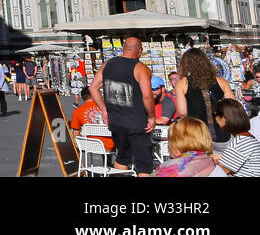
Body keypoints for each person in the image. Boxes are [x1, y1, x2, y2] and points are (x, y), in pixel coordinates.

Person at [90, 35, 156, 177]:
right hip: (137, 123)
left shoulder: (109, 63)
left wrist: (104, 110)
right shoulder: (140, 68)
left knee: (122, 158)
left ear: (123, 48)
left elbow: (93, 87)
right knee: (143, 164)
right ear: (140, 50)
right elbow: (147, 95)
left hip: (116, 122)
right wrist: (152, 116)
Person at [173, 47, 234, 145]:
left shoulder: (182, 84)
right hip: (222, 134)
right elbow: (232, 107)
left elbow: (182, 113)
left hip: (197, 136)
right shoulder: (221, 81)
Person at [153, 117, 218, 177]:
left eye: (169, 140)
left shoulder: (166, 170)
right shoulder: (215, 167)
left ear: (176, 144)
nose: (168, 145)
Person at [213, 98, 259, 176]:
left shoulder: (239, 142)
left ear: (224, 120)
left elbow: (219, 173)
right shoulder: (248, 139)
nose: (216, 121)